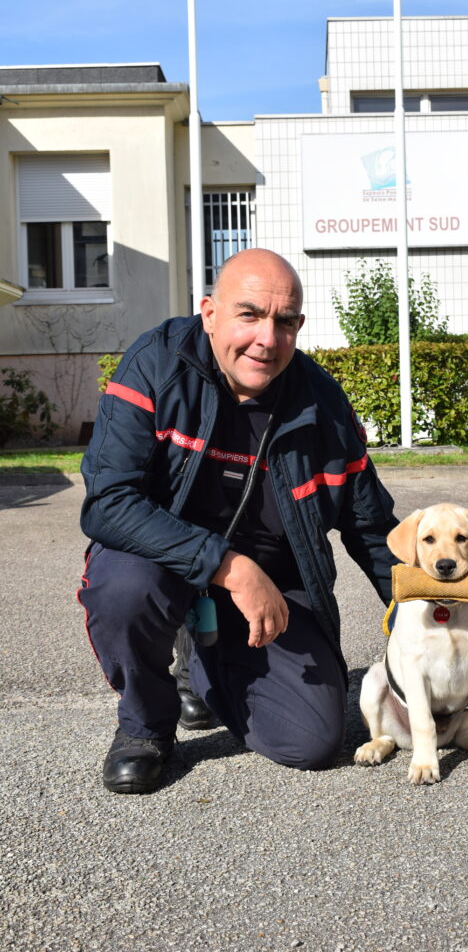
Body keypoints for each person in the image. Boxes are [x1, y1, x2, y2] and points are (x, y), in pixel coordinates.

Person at [78, 248, 397, 794]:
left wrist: (430, 607)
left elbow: (370, 527)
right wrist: (227, 566)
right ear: (209, 313)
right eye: (248, 314)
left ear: (299, 325)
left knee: (312, 742)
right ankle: (146, 726)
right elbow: (108, 503)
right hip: (164, 563)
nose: (266, 339)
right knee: (126, 590)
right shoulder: (155, 365)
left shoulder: (321, 403)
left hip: (276, 580)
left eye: (284, 321)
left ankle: (201, 666)